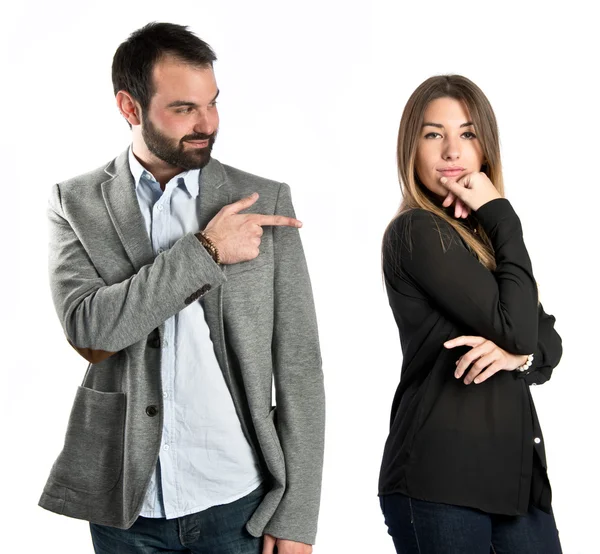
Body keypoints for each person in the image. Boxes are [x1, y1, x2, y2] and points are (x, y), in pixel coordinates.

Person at [39, 22, 324, 554]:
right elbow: (91, 332)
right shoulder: (74, 203)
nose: (206, 124)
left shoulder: (263, 201)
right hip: (126, 505)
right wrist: (205, 252)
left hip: (238, 500)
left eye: (212, 103)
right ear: (130, 107)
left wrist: (298, 513)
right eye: (183, 109)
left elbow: (300, 365)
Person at [379, 75, 563, 553]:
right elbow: (521, 328)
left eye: (467, 133)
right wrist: (502, 212)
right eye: (433, 134)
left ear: (485, 148)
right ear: (411, 147)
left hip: (514, 483)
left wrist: (515, 357)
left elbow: (547, 340)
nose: (451, 151)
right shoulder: (417, 232)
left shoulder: (483, 239)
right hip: (440, 483)